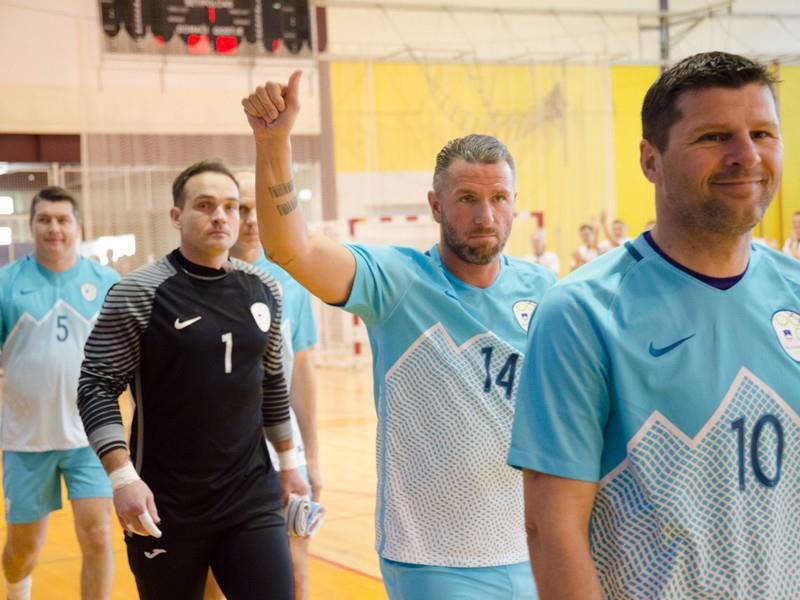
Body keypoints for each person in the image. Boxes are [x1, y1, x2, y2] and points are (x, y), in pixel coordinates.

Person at [242, 72, 557, 600]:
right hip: (433, 559)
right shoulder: (397, 281)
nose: (486, 216)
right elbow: (292, 248)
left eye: (500, 198)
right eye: (467, 198)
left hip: (532, 547)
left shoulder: (544, 289)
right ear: (435, 206)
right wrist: (274, 144)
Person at [509, 51, 800, 599]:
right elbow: (552, 529)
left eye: (762, 133)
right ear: (651, 160)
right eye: (714, 137)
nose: (746, 155)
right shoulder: (581, 314)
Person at [77, 159, 307, 600]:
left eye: (230, 206)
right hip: (165, 503)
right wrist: (122, 478)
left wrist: (289, 464)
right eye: (205, 205)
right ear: (176, 216)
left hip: (251, 497)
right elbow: (96, 386)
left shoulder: (265, 289)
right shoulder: (139, 292)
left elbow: (272, 383)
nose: (221, 216)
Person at [204, 171, 321, 600]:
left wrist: (313, 457)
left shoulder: (292, 282)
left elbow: (302, 372)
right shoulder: (194, 281)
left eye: (260, 209)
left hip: (283, 449)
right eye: (243, 208)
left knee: (295, 571)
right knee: (215, 577)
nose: (252, 220)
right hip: (217, 453)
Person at [0, 186, 119, 600]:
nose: (54, 228)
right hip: (26, 440)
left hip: (92, 437)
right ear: (31, 225)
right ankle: (17, 591)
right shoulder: (6, 283)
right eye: (45, 220)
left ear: (78, 226)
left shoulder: (107, 283)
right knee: (23, 551)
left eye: (63, 220)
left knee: (99, 534)